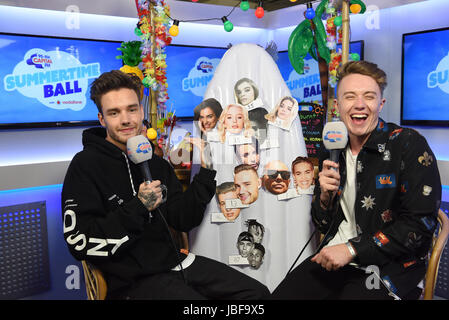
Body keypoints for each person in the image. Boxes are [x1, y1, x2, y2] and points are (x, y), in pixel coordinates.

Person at [61, 70, 270, 300]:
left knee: (256, 294)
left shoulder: (154, 161)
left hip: (175, 264)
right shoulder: (85, 165)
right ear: (102, 119)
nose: (125, 119)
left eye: (132, 109)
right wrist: (139, 207)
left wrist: (206, 173)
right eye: (114, 112)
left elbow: (183, 219)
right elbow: (79, 242)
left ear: (141, 111)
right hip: (132, 281)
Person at [272, 61, 441, 300]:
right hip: (334, 260)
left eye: (369, 96)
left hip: (388, 270)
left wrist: (352, 249)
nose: (359, 104)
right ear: (338, 107)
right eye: (350, 96)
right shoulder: (331, 148)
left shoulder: (408, 144)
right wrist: (324, 198)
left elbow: (419, 226)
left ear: (380, 103)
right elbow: (322, 225)